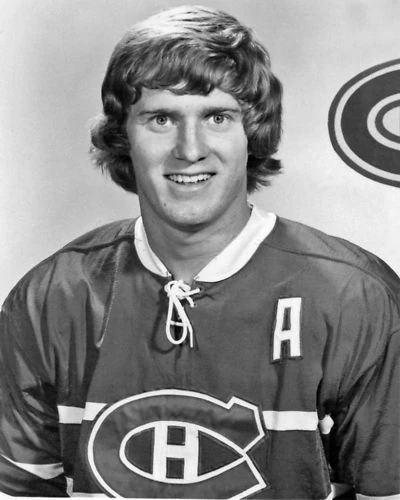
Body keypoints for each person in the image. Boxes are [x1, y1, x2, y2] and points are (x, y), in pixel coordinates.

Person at [0, 5, 399, 499]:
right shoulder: (51, 297)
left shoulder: (355, 297)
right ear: (124, 136)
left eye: (217, 117)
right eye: (161, 118)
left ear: (252, 132)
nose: (190, 149)